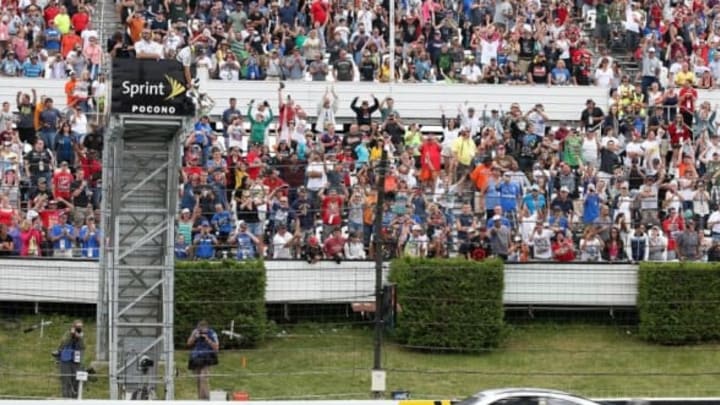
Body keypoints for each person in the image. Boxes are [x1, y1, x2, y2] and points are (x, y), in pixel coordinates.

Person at [186, 320, 220, 400]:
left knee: (203, 378)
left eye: (203, 330)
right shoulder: (195, 332)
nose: (201, 332)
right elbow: (188, 343)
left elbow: (216, 348)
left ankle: (206, 399)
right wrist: (194, 337)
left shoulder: (212, 333)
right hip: (196, 357)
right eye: (200, 329)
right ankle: (200, 399)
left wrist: (207, 339)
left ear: (207, 328)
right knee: (198, 379)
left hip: (208, 357)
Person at [55, 320, 85, 398]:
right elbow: (64, 344)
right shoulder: (67, 334)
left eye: (80, 327)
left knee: (76, 381)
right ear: (73, 327)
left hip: (76, 361)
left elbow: (82, 347)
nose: (79, 329)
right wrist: (71, 336)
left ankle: (75, 399)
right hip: (66, 361)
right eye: (77, 327)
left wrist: (79, 338)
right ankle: (66, 399)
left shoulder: (81, 335)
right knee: (66, 381)